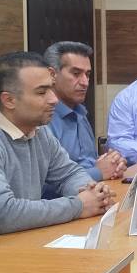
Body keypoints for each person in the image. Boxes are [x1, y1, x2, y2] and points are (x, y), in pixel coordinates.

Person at [0, 52, 114, 233]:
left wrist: (93, 192)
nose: (54, 99)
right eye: (42, 92)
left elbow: (69, 174)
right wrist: (78, 205)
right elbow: (1, 214)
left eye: (51, 89)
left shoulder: (38, 130)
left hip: (25, 238)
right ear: (9, 100)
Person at [43, 41, 126, 181]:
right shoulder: (43, 119)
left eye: (87, 74)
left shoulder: (80, 112)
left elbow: (90, 162)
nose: (85, 82)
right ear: (52, 75)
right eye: (76, 74)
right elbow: (45, 183)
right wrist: (98, 172)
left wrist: (113, 164)